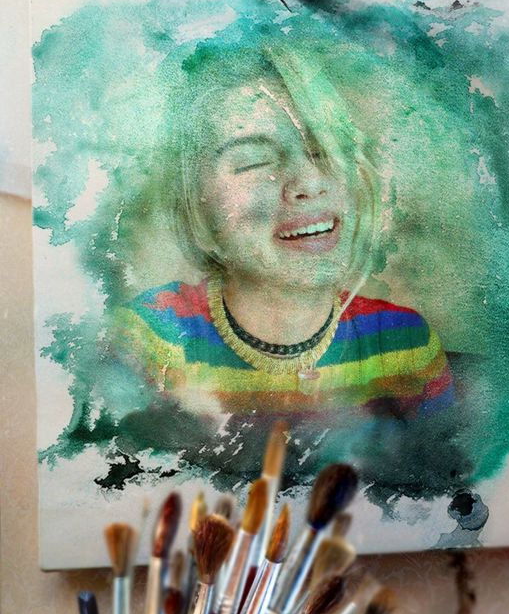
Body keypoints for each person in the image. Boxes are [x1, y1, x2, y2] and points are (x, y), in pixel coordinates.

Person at [110, 36, 458, 495]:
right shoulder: (147, 342)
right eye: (255, 162)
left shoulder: (407, 344)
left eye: (323, 151)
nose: (309, 182)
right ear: (198, 209)